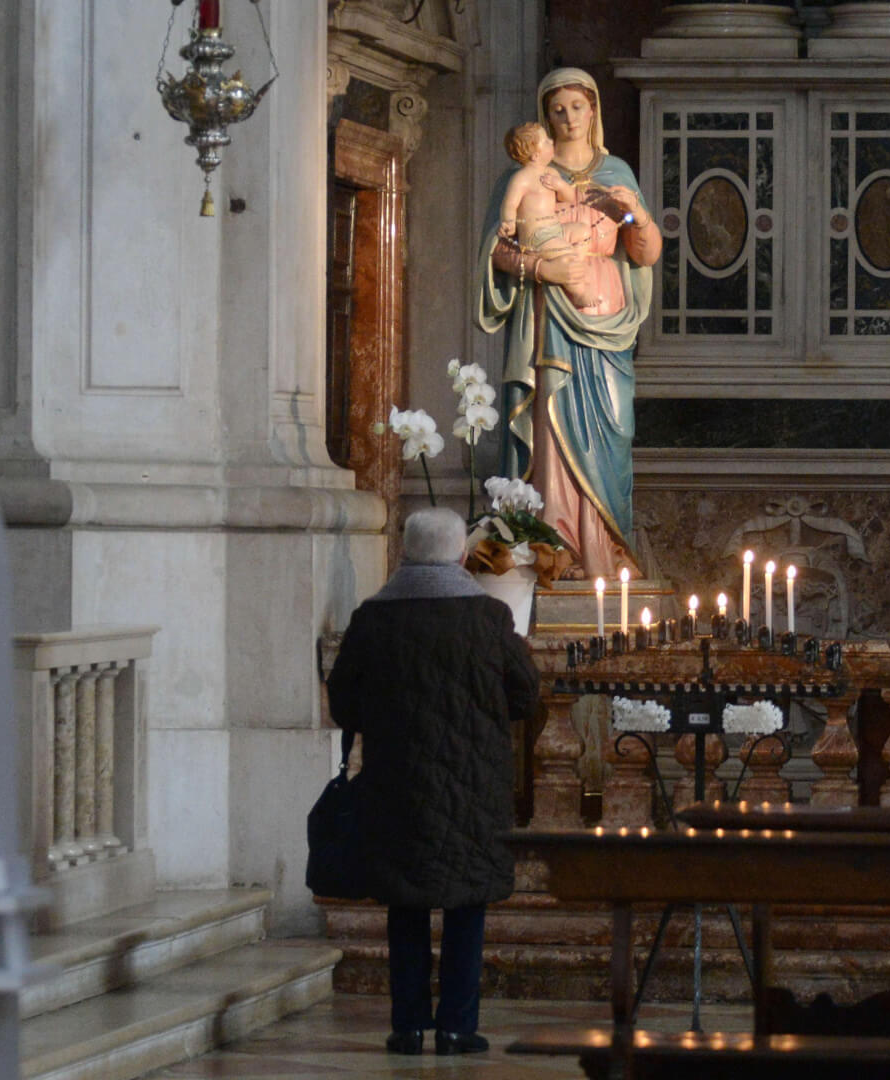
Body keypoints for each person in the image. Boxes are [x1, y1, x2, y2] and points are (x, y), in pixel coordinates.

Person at [324, 507, 540, 1057]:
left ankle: (407, 1026)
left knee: (405, 903)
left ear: (405, 553)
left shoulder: (373, 618)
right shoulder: (489, 617)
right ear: (463, 556)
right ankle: (457, 1027)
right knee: (467, 905)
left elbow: (343, 702)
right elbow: (525, 694)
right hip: (474, 786)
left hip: (396, 784)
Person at [477, 68, 663, 581]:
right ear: (545, 116)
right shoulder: (526, 175)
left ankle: (607, 548)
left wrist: (635, 215)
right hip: (550, 315)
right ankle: (556, 548)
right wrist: (543, 269)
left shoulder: (617, 173)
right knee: (552, 427)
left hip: (608, 320)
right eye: (557, 109)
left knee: (613, 429)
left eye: (577, 107)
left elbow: (645, 253)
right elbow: (497, 249)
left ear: (593, 110)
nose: (568, 118)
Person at [497, 121, 599, 310]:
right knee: (566, 254)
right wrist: (509, 223)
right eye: (546, 141)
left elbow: (569, 198)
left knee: (583, 231)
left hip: (555, 230)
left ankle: (576, 267)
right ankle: (578, 292)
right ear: (535, 155)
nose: (552, 141)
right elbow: (509, 204)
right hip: (537, 237)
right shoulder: (521, 178)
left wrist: (560, 185)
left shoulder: (551, 173)